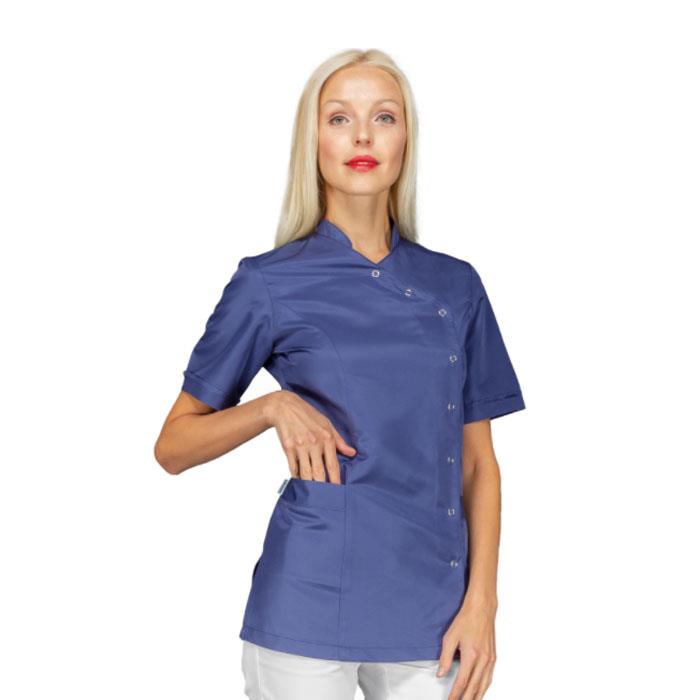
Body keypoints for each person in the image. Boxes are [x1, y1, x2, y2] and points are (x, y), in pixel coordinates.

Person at [154, 48, 526, 700]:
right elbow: (173, 447)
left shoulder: (456, 286)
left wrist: (483, 605)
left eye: (383, 117)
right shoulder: (268, 283)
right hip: (307, 602)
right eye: (339, 118)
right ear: (313, 141)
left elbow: (478, 465)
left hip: (434, 613)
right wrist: (270, 408)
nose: (362, 137)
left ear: (406, 139)